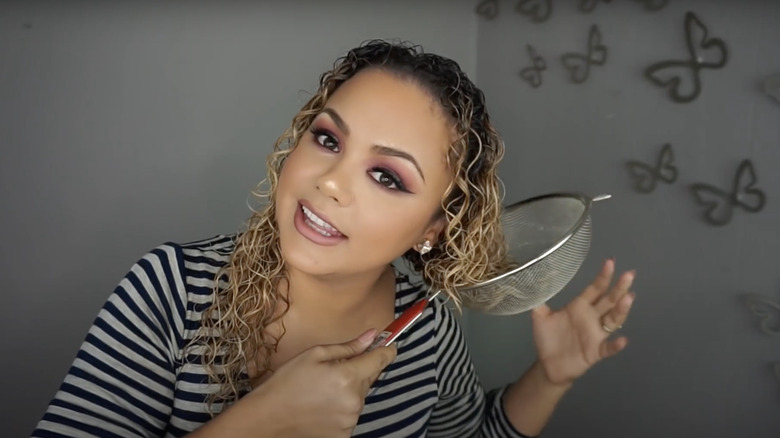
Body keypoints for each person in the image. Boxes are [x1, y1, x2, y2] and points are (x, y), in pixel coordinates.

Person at [32, 39, 636, 438]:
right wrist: (259, 423)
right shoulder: (169, 292)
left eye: (386, 176)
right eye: (328, 139)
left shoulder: (426, 329)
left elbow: (473, 432)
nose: (329, 182)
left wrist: (553, 375)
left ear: (432, 229)